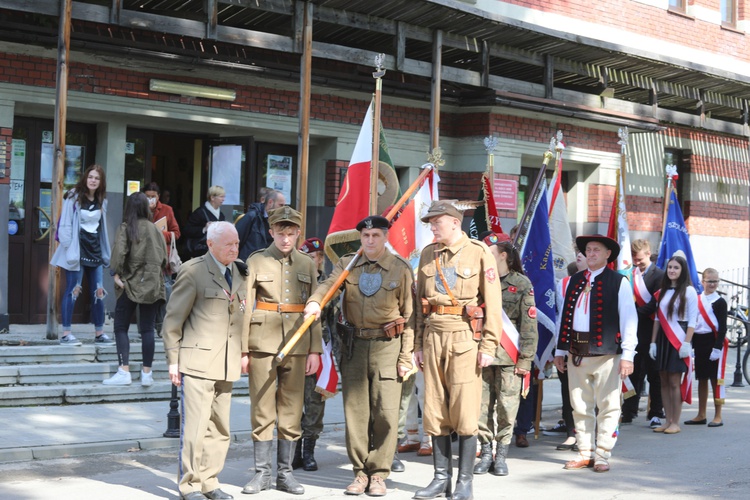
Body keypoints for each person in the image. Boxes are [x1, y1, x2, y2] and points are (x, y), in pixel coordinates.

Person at [304, 215, 414, 497]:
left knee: (386, 414)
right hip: (353, 346)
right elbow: (329, 284)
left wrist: (406, 357)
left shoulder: (399, 269)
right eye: (365, 236)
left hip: (388, 346)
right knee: (356, 413)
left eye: (375, 235)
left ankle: (379, 474)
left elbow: (411, 318)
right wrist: (316, 301)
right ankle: (360, 473)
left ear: (385, 237)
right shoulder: (348, 263)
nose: (370, 241)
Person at [413, 200, 502, 500]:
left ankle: (464, 482)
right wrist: (417, 344)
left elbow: (493, 302)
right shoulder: (428, 254)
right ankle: (440, 479)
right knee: (435, 409)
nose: (432, 227)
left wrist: (489, 343)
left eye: (436, 222)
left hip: (465, 338)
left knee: (464, 411)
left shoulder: (479, 252)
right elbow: (418, 307)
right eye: (430, 223)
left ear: (454, 221)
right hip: (433, 336)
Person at [162, 221, 247, 500]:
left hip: (226, 361)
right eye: (228, 244)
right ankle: (189, 484)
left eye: (236, 244)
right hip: (197, 363)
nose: (234, 249)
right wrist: (173, 361)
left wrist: (243, 352)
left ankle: (210, 481)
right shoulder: (194, 270)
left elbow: (241, 318)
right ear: (211, 244)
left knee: (220, 428)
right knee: (196, 428)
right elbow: (173, 321)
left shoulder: (239, 271)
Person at [241, 207, 322, 496]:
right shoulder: (256, 260)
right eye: (280, 233)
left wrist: (315, 349)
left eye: (291, 233)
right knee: (262, 409)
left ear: (297, 232)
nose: (286, 239)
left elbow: (314, 310)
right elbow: (244, 308)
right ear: (272, 232)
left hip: (298, 344)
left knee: (290, 411)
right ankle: (262, 474)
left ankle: (285, 474)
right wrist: (243, 349)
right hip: (262, 342)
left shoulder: (307, 264)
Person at [554, 234, 636, 473]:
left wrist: (628, 355)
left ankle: (602, 454)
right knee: (579, 405)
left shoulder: (619, 282)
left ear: (608, 254)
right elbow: (564, 319)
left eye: (596, 250)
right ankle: (584, 452)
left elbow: (629, 320)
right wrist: (560, 350)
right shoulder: (573, 281)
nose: (591, 254)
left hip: (607, 354)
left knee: (609, 405)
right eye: (588, 250)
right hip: (576, 352)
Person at [474, 232, 537, 477]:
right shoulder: (478, 281)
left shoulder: (521, 283)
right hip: (482, 354)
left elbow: (528, 326)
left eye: (489, 253)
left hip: (510, 357)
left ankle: (501, 455)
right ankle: (486, 452)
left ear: (503, 256)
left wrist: (526, 359)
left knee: (507, 408)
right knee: (480, 408)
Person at [104, 192, 167, 386]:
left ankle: (124, 371)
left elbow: (118, 255)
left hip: (130, 283)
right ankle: (147, 373)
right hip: (153, 285)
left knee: (121, 326)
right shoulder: (155, 230)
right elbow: (164, 258)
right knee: (148, 329)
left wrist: (116, 274)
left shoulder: (126, 228)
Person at [50, 164, 115, 346]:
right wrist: (69, 247)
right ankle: (66, 333)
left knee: (98, 292)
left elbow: (102, 229)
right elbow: (65, 225)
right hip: (76, 251)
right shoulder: (74, 197)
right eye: (91, 177)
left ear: (101, 182)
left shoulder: (103, 201)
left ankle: (99, 333)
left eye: (97, 178)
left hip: (95, 251)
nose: (93, 180)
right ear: (85, 178)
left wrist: (106, 253)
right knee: (73, 290)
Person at [292, 237, 340, 472]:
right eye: (308, 258)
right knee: (291, 404)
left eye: (315, 257)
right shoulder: (292, 282)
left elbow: (334, 323)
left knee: (314, 405)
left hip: (320, 352)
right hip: (294, 351)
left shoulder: (330, 287)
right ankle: (294, 451)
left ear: (321, 259)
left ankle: (309, 452)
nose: (312, 261)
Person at [648, 254, 698, 435]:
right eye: (670, 267)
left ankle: (676, 421)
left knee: (675, 381)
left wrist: (686, 343)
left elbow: (693, 320)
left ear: (682, 270)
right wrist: (653, 342)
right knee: (663, 380)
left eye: (676, 268)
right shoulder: (662, 292)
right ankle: (667, 420)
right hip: (663, 338)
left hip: (679, 337)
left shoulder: (689, 291)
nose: (672, 270)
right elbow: (657, 319)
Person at [546, 250, 588, 451]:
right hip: (569, 342)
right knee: (568, 389)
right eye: (579, 252)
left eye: (586, 252)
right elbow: (560, 316)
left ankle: (588, 433)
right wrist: (560, 350)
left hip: (592, 346)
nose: (580, 255)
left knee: (588, 391)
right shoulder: (564, 284)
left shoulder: (605, 281)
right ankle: (572, 432)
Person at [622, 239, 665, 428]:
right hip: (634, 331)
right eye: (634, 260)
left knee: (654, 374)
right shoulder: (630, 275)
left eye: (640, 259)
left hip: (652, 331)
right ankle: (629, 410)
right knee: (633, 373)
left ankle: (655, 412)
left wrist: (633, 313)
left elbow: (655, 303)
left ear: (648, 254)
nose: (637, 263)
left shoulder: (660, 275)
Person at [685, 268, 727, 427]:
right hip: (700, 341)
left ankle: (718, 415)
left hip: (713, 341)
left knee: (715, 380)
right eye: (710, 281)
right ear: (702, 282)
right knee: (701, 378)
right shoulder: (696, 299)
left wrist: (717, 348)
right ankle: (701, 414)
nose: (713, 284)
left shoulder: (720, 301)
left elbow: (722, 327)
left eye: (716, 281)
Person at [143, 182, 181, 333]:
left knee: (166, 293)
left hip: (163, 260)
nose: (150, 200)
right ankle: (147, 327)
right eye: (147, 197)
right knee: (148, 294)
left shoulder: (167, 210)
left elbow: (176, 234)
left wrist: (156, 233)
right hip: (145, 258)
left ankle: (163, 326)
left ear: (158, 197)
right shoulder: (140, 209)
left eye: (153, 197)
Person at [236, 188, 286, 261]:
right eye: (281, 205)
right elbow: (237, 240)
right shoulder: (252, 216)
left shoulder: (279, 221)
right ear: (270, 202)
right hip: (249, 264)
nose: (283, 209)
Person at [184, 186, 227, 259]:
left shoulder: (221, 215)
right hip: (200, 254)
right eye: (221, 197)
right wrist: (204, 229)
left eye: (224, 197)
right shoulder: (199, 213)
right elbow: (187, 230)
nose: (223, 199)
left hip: (215, 253)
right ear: (212, 198)